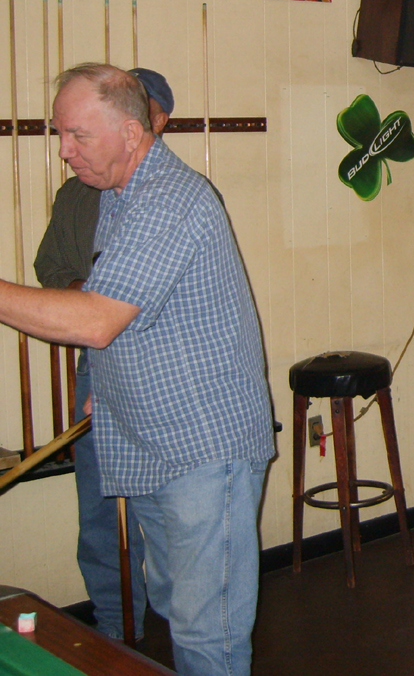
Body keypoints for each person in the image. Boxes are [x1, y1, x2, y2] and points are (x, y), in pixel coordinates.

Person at [1, 64, 274, 676]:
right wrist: (107, 386)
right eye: (60, 134)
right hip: (150, 436)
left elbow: (98, 320)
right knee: (179, 609)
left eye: (77, 135)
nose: (64, 151)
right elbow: (135, 314)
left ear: (130, 132)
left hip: (203, 447)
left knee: (207, 633)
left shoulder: (168, 198)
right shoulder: (118, 196)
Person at [33, 67, 174, 643]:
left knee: (167, 513)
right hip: (98, 368)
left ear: (153, 123)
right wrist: (85, 296)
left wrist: (99, 305)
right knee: (99, 512)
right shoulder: (77, 195)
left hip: (161, 376)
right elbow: (51, 270)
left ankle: (178, 629)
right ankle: (115, 633)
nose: (68, 150)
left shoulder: (172, 197)